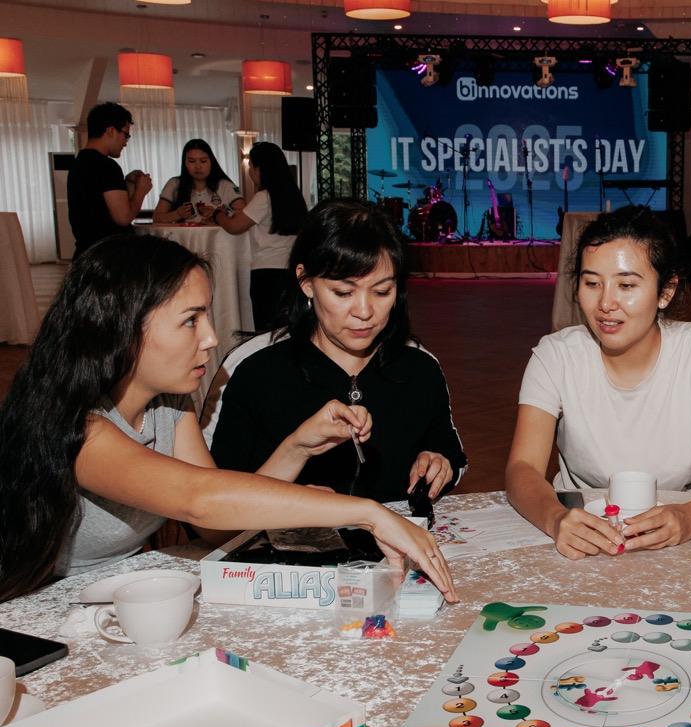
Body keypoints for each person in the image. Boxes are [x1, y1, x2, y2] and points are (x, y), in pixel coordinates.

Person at [0, 234, 455, 605]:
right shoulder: (79, 425)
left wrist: (297, 446)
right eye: (190, 321)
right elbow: (198, 499)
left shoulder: (169, 405)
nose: (211, 338)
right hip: (39, 602)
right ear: (122, 326)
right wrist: (370, 513)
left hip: (119, 592)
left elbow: (217, 525)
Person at [505, 205, 691, 559]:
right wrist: (556, 519)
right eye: (592, 283)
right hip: (584, 535)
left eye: (626, 285)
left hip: (687, 536)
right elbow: (523, 468)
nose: (605, 303)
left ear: (666, 291)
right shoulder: (555, 357)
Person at [205, 199, 466, 504]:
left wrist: (440, 462)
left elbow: (451, 452)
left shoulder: (419, 367)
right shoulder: (254, 369)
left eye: (382, 291)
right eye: (343, 292)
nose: (365, 311)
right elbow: (215, 495)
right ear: (306, 282)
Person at [212, 142, 308, 330]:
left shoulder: (264, 196)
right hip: (291, 270)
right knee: (288, 328)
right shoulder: (294, 196)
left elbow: (234, 226)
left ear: (259, 169)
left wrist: (217, 214)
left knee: (267, 331)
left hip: (267, 273)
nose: (250, 171)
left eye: (250, 166)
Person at [67, 102, 151, 258]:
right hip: (109, 255)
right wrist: (141, 190)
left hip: (86, 251)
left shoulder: (79, 162)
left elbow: (98, 207)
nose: (125, 143)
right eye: (126, 135)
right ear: (111, 131)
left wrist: (127, 182)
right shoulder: (106, 166)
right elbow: (123, 218)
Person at [152, 139, 244, 225]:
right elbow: (156, 218)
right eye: (191, 161)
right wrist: (177, 214)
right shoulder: (175, 184)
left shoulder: (226, 186)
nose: (198, 167)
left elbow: (243, 214)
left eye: (203, 161)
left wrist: (219, 214)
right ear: (185, 163)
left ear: (211, 162)